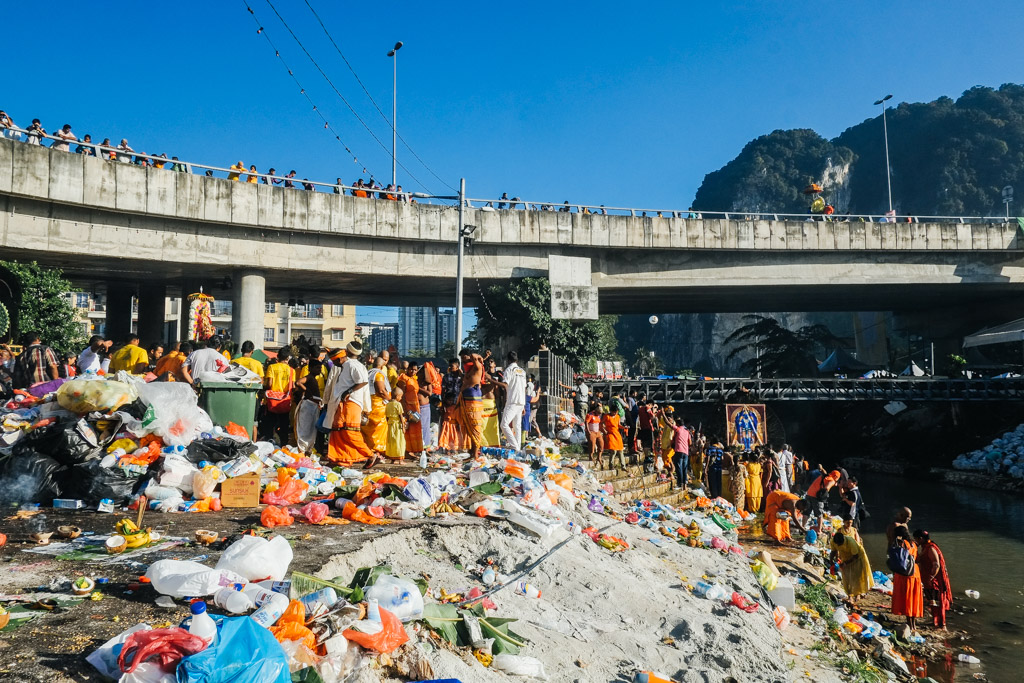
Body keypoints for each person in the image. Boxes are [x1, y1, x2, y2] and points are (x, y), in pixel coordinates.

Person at [323, 342, 373, 465]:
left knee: (350, 432)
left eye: (334, 362)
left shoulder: (352, 365)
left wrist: (348, 392)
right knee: (337, 431)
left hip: (351, 403)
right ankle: (338, 459)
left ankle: (371, 455)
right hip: (342, 403)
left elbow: (363, 381)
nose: (334, 364)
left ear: (339, 359)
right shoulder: (346, 366)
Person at [913, 530, 952, 630]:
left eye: (916, 539)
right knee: (932, 601)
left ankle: (942, 625)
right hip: (928, 580)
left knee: (937, 602)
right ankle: (936, 621)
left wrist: (932, 577)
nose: (916, 541)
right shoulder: (926, 547)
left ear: (920, 538)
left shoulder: (930, 548)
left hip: (934, 581)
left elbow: (936, 564)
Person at [830, 521, 873, 606]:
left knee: (857, 577)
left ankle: (858, 595)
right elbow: (833, 551)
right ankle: (850, 596)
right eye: (838, 544)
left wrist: (845, 563)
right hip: (846, 558)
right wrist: (831, 561)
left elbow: (855, 556)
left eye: (840, 544)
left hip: (858, 558)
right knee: (847, 577)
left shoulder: (850, 542)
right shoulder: (833, 541)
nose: (839, 545)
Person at [891, 526, 924, 632]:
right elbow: (916, 558)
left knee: (907, 599)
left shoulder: (902, 544)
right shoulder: (914, 544)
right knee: (914, 599)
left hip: (904, 575)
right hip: (915, 573)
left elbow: (898, 559)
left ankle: (909, 624)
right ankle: (913, 625)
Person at [360, 354, 391, 464]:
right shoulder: (378, 375)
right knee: (378, 430)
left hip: (368, 404)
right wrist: (390, 399)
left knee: (368, 430)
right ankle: (376, 453)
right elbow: (381, 391)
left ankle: (368, 452)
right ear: (382, 366)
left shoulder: (368, 373)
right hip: (377, 405)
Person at [260, 346, 294, 445]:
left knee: (270, 425)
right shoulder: (291, 370)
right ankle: (283, 444)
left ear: (278, 357)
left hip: (272, 402)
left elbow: (269, 384)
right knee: (284, 425)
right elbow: (293, 386)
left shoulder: (272, 367)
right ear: (287, 358)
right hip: (285, 402)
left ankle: (269, 443)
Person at [458, 349, 485, 459]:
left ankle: (475, 453)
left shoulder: (477, 367)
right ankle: (471, 451)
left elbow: (474, 356)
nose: (463, 361)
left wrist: (478, 357)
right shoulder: (467, 372)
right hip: (465, 398)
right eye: (461, 359)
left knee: (475, 426)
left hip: (474, 399)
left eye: (464, 358)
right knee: (466, 425)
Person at [499, 351, 527, 451]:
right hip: (521, 401)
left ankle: (515, 446)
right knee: (517, 426)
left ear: (508, 360)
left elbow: (505, 385)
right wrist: (523, 405)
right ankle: (518, 448)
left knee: (504, 425)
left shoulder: (509, 370)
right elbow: (524, 388)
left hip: (513, 401)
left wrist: (492, 380)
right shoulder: (522, 371)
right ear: (517, 360)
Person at [395, 361, 423, 457]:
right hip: (407, 405)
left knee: (415, 427)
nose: (413, 371)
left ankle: (414, 449)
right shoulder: (403, 378)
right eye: (411, 369)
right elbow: (401, 395)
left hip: (415, 406)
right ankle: (407, 451)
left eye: (415, 370)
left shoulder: (414, 379)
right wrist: (405, 409)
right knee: (407, 428)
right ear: (408, 368)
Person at [438, 358, 463, 452]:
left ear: (457, 366)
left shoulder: (462, 377)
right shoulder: (446, 377)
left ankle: (457, 446)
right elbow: (443, 390)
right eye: (450, 365)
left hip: (458, 405)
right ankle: (447, 446)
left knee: (457, 426)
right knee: (447, 425)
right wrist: (443, 403)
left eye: (452, 366)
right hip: (448, 404)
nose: (450, 367)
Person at [385, 385, 407, 461]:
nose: (401, 398)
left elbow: (386, 417)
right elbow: (400, 416)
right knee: (399, 441)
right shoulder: (398, 404)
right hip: (397, 425)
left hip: (390, 425)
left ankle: (392, 459)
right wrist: (403, 426)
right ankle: (400, 460)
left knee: (392, 442)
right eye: (401, 397)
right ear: (397, 396)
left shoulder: (387, 404)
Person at [602, 404, 625, 470]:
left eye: (616, 412)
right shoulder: (607, 416)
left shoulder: (617, 416)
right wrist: (604, 430)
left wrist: (623, 427)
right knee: (613, 451)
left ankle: (623, 466)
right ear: (611, 411)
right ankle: (611, 465)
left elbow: (619, 425)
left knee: (621, 450)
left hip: (617, 434)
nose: (615, 413)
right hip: (610, 434)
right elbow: (601, 423)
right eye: (614, 412)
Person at [670, 417, 691, 488]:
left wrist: (663, 415)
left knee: (679, 467)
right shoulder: (687, 431)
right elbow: (690, 443)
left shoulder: (678, 429)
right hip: (686, 452)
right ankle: (685, 483)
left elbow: (669, 424)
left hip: (679, 450)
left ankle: (680, 483)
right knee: (684, 468)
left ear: (678, 424)